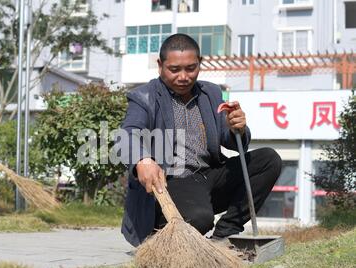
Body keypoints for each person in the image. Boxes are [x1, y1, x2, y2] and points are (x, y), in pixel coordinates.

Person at [119, 34, 282, 247]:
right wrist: (143, 159)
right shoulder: (144, 97)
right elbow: (128, 133)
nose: (184, 76)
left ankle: (225, 233)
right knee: (199, 219)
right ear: (160, 66)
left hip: (210, 175)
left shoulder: (211, 93)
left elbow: (231, 141)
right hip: (173, 181)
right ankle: (163, 232)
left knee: (269, 159)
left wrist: (237, 129)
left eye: (191, 68)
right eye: (174, 69)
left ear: (200, 64)